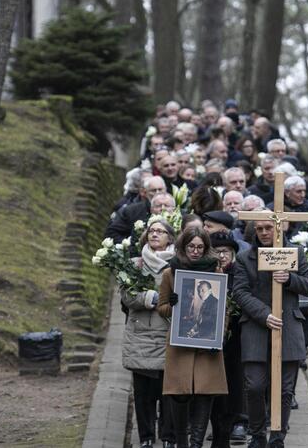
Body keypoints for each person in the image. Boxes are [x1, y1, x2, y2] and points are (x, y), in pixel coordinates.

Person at [232, 215, 308, 448]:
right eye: (259, 229)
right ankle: (258, 434)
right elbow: (239, 292)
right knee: (255, 385)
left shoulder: (295, 253)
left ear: (278, 228)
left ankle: (278, 437)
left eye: (268, 227)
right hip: (256, 328)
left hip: (288, 327)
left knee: (285, 390)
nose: (264, 232)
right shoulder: (244, 258)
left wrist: (290, 279)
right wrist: (264, 314)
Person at [158, 228, 228, 448]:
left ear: (206, 249)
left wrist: (219, 335)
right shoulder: (170, 273)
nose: (195, 251)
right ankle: (181, 441)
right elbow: (161, 308)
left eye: (200, 247)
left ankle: (196, 443)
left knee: (205, 393)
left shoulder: (216, 273)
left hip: (207, 345)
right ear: (183, 247)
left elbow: (224, 309)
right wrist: (173, 305)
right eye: (191, 247)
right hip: (181, 344)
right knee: (179, 393)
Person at [122, 219, 177, 448]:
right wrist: (149, 298)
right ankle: (145, 436)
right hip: (141, 334)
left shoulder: (178, 264)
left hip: (167, 332)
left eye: (160, 231)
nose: (155, 234)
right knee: (143, 391)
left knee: (168, 391)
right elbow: (126, 296)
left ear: (170, 238)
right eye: (151, 231)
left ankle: (168, 436)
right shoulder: (134, 264)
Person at [208, 231, 247, 447]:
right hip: (211, 341)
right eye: (217, 251)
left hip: (235, 341)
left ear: (232, 253)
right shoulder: (206, 273)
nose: (221, 256)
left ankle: (228, 427)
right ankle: (215, 430)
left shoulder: (240, 273)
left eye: (225, 252)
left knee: (233, 385)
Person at [105, 177, 167, 243]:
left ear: (165, 190)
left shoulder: (173, 208)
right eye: (153, 190)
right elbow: (112, 232)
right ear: (145, 192)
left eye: (160, 189)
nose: (157, 193)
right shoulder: (131, 211)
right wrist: (130, 245)